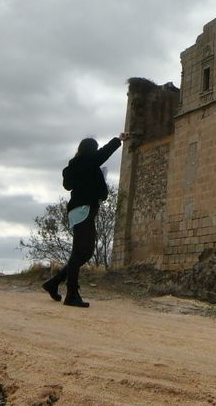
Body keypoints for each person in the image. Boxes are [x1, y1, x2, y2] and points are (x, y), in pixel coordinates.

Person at [42, 132, 127, 307]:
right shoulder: (88, 162)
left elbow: (68, 185)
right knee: (79, 253)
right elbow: (104, 153)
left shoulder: (76, 165)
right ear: (91, 150)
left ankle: (54, 283)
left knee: (85, 252)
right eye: (94, 149)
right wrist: (118, 140)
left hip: (78, 210)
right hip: (83, 209)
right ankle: (71, 294)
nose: (96, 152)